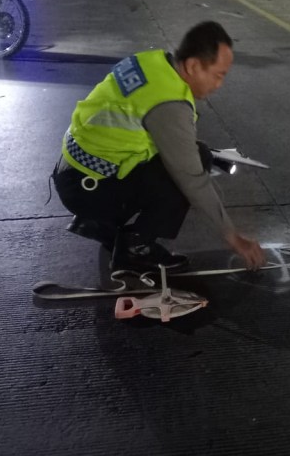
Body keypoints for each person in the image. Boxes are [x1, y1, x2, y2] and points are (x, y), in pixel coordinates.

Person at [52, 21, 266, 273]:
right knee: (195, 163)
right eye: (218, 75)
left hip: (73, 171)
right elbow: (192, 179)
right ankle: (133, 247)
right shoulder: (169, 104)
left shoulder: (152, 62)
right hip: (89, 188)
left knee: (190, 154)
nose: (219, 85)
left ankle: (100, 225)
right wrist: (234, 237)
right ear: (193, 65)